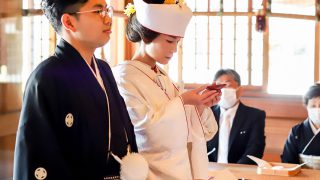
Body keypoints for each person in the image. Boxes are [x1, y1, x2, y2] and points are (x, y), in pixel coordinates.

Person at [13, 0, 138, 179]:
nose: (108, 19)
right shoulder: (46, 78)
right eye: (97, 11)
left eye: (107, 10)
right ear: (69, 22)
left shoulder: (103, 69)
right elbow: (37, 155)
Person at [112, 0, 220, 179]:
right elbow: (144, 132)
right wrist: (184, 101)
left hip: (181, 170)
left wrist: (199, 106)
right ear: (146, 36)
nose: (174, 49)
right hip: (153, 173)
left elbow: (187, 129)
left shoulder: (163, 77)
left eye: (177, 42)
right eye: (169, 41)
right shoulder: (123, 76)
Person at [207, 69, 266, 164]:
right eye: (219, 86)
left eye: (227, 85)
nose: (222, 90)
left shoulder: (255, 116)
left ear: (240, 90)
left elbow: (255, 150)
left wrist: (234, 173)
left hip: (239, 174)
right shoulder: (208, 113)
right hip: (209, 172)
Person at [281, 83, 320, 168]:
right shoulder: (297, 131)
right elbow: (288, 162)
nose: (317, 109)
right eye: (313, 106)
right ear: (307, 107)